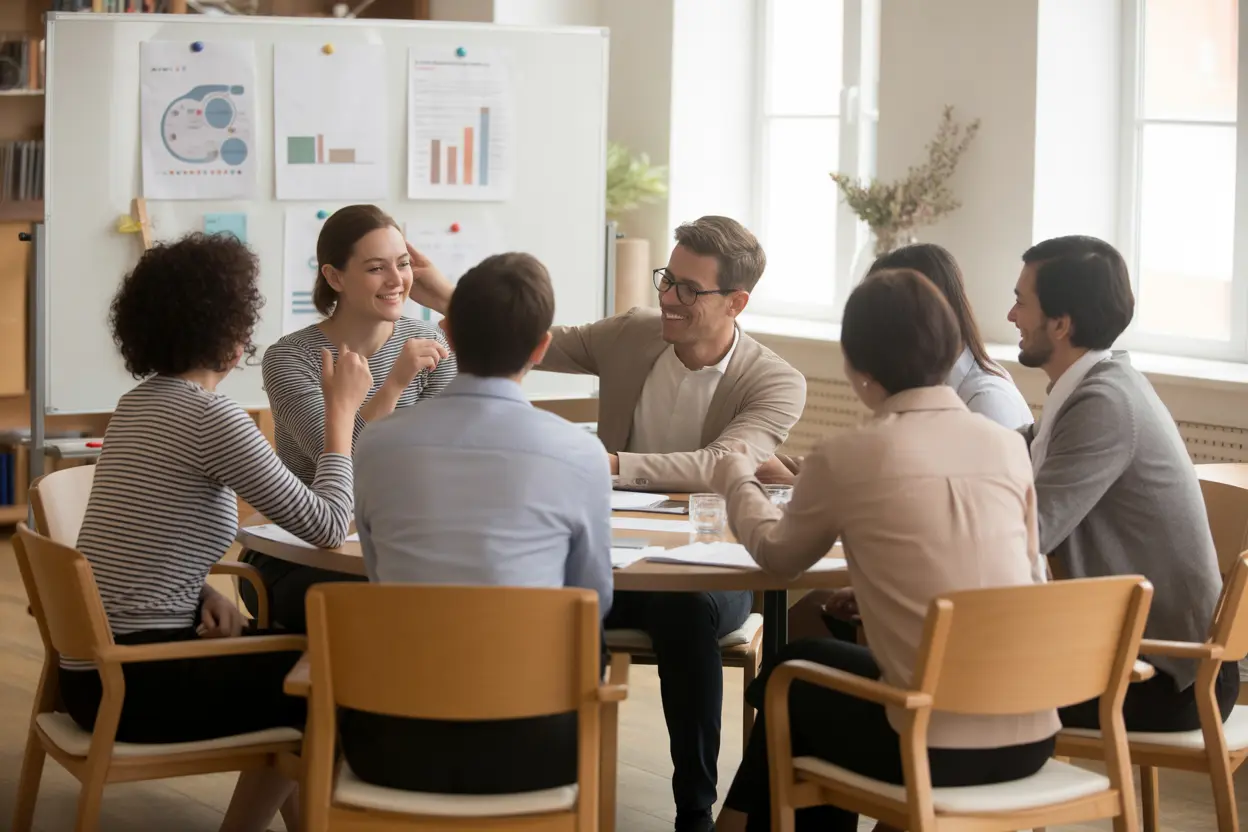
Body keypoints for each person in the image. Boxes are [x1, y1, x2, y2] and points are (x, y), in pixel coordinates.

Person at [404, 215, 806, 832]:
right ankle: (552, 786)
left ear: (736, 302)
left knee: (686, 611)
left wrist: (607, 461)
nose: (667, 297)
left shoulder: (775, 380)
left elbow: (723, 463)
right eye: (667, 279)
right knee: (564, 601)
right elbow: (528, 336)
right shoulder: (634, 334)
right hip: (609, 549)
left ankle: (693, 810)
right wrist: (440, 289)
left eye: (688, 290)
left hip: (707, 563)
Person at [711, 268, 1058, 832]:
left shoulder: (850, 454)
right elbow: (1026, 573)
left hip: (933, 742)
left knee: (794, 682)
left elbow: (778, 556)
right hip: (1032, 733)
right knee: (803, 671)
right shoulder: (1008, 445)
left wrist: (735, 479)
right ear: (952, 346)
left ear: (854, 364)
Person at [63, 233, 372, 832]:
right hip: (138, 683)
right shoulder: (211, 417)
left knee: (294, 666)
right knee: (325, 682)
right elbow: (330, 525)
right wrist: (341, 416)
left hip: (92, 677)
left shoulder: (137, 403)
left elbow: (142, 536)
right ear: (232, 333)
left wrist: (198, 590)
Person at [347, 252, 612, 794]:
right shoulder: (578, 453)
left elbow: (379, 575)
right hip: (536, 746)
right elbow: (593, 600)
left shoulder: (375, 442)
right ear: (541, 347)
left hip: (390, 741)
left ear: (446, 331)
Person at [1008, 234, 1238, 730]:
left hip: (1166, 678)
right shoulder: (1095, 387)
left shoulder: (1103, 404)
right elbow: (1003, 453)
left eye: (1020, 303)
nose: (1011, 318)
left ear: (1062, 324)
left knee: (946, 682)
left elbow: (1029, 535)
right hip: (1152, 662)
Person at [772, 243, 1034, 642]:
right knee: (807, 614)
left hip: (958, 645)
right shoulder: (953, 405)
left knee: (793, 648)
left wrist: (737, 482)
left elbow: (940, 516)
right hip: (982, 639)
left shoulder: (988, 401)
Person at [240, 204, 456, 633]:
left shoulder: (428, 339)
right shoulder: (291, 359)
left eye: (403, 264)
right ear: (335, 277)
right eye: (377, 268)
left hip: (403, 543)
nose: (397, 281)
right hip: (303, 552)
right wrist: (393, 383)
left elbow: (448, 456)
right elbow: (340, 461)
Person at [758, 242, 1031, 487]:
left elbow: (926, 506)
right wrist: (801, 470)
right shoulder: (916, 389)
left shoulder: (987, 402)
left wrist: (787, 484)